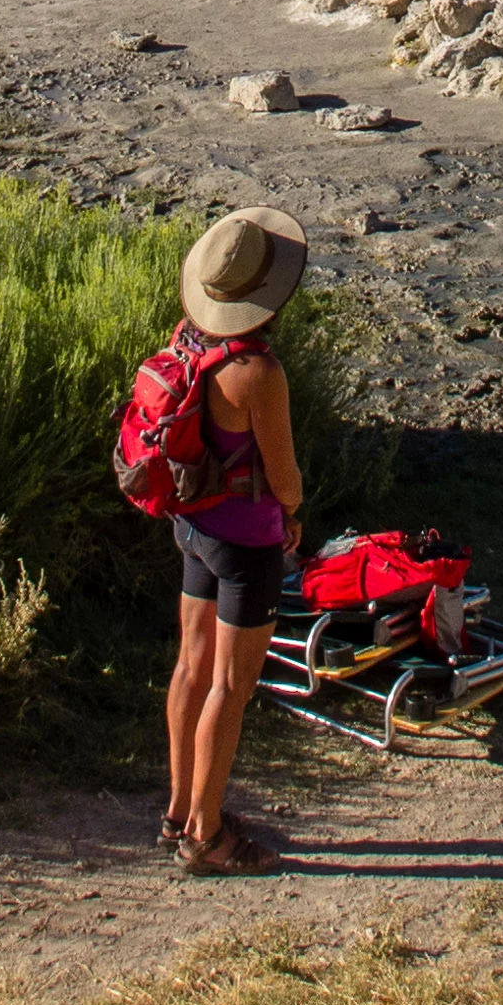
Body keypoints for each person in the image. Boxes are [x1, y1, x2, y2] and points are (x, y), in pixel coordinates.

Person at [161, 206, 307, 876]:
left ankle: (178, 811)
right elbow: (284, 477)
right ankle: (208, 834)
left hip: (193, 526)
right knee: (231, 683)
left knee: (191, 668)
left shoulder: (191, 341)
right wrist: (295, 516)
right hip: (245, 545)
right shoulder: (258, 374)